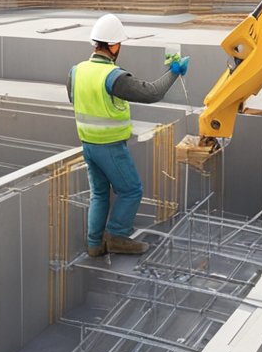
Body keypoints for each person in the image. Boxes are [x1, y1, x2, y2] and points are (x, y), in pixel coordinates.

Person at [68, 13, 190, 257]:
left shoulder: (76, 71)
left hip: (88, 145)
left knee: (100, 193)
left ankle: (95, 244)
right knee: (131, 190)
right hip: (110, 147)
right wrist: (174, 72)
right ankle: (117, 236)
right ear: (113, 45)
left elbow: (75, 99)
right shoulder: (113, 77)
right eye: (119, 44)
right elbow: (152, 92)